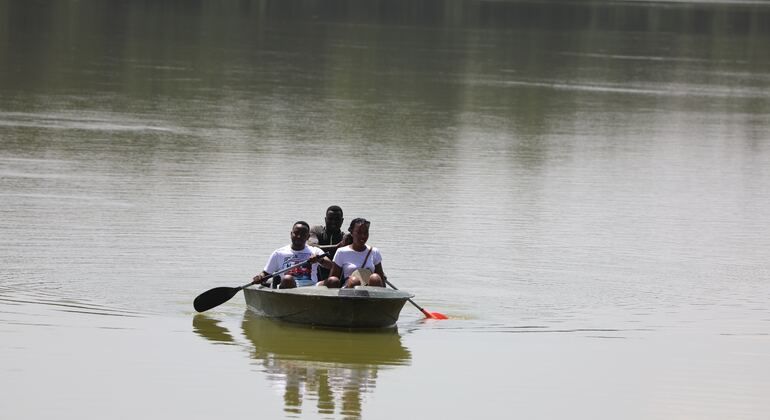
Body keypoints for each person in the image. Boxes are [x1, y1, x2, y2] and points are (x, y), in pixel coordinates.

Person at [252, 221, 332, 289]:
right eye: (296, 233)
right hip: (288, 287)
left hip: (311, 287)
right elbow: (265, 273)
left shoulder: (315, 251)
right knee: (288, 278)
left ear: (307, 237)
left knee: (333, 280)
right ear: (291, 234)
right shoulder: (279, 253)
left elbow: (331, 266)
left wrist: (319, 260)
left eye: (303, 234)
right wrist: (260, 277)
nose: (299, 236)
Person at [326, 218, 386, 288]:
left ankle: (375, 299)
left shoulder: (374, 252)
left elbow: (381, 280)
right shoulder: (341, 252)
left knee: (375, 278)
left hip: (370, 292)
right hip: (349, 291)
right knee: (354, 281)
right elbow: (333, 280)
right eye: (359, 232)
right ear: (351, 233)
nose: (363, 236)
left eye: (365, 232)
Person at [307, 205, 351, 281]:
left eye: (337, 219)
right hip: (318, 275)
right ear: (325, 219)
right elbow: (313, 246)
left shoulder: (345, 238)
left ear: (342, 220)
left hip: (338, 276)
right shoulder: (316, 230)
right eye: (330, 219)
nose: (333, 222)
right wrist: (336, 247)